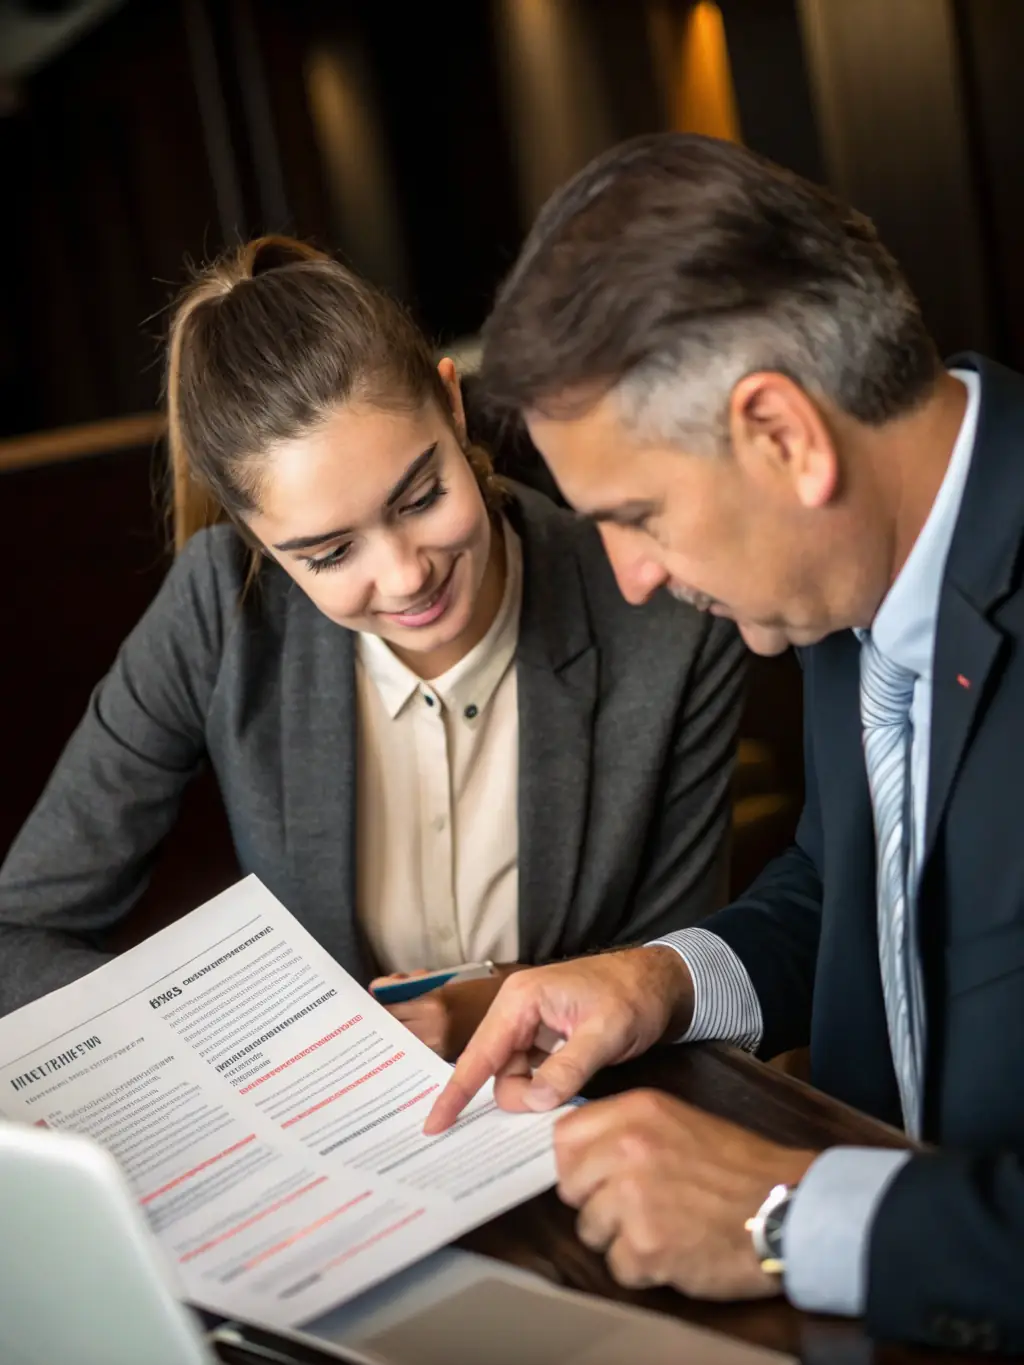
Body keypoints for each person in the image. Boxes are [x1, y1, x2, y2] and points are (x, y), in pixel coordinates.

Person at [424, 134, 1024, 1351]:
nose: (632, 581)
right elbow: (857, 891)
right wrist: (657, 981)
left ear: (783, 436)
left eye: (636, 518)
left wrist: (790, 1217)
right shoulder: (844, 570)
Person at [0, 235, 746, 1060]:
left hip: (580, 1123)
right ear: (258, 539)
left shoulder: (661, 616)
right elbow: (16, 932)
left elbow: (680, 983)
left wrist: (503, 1000)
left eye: (422, 497)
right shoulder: (223, 603)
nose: (403, 577)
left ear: (453, 407)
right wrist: (233, 1043)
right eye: (328, 554)